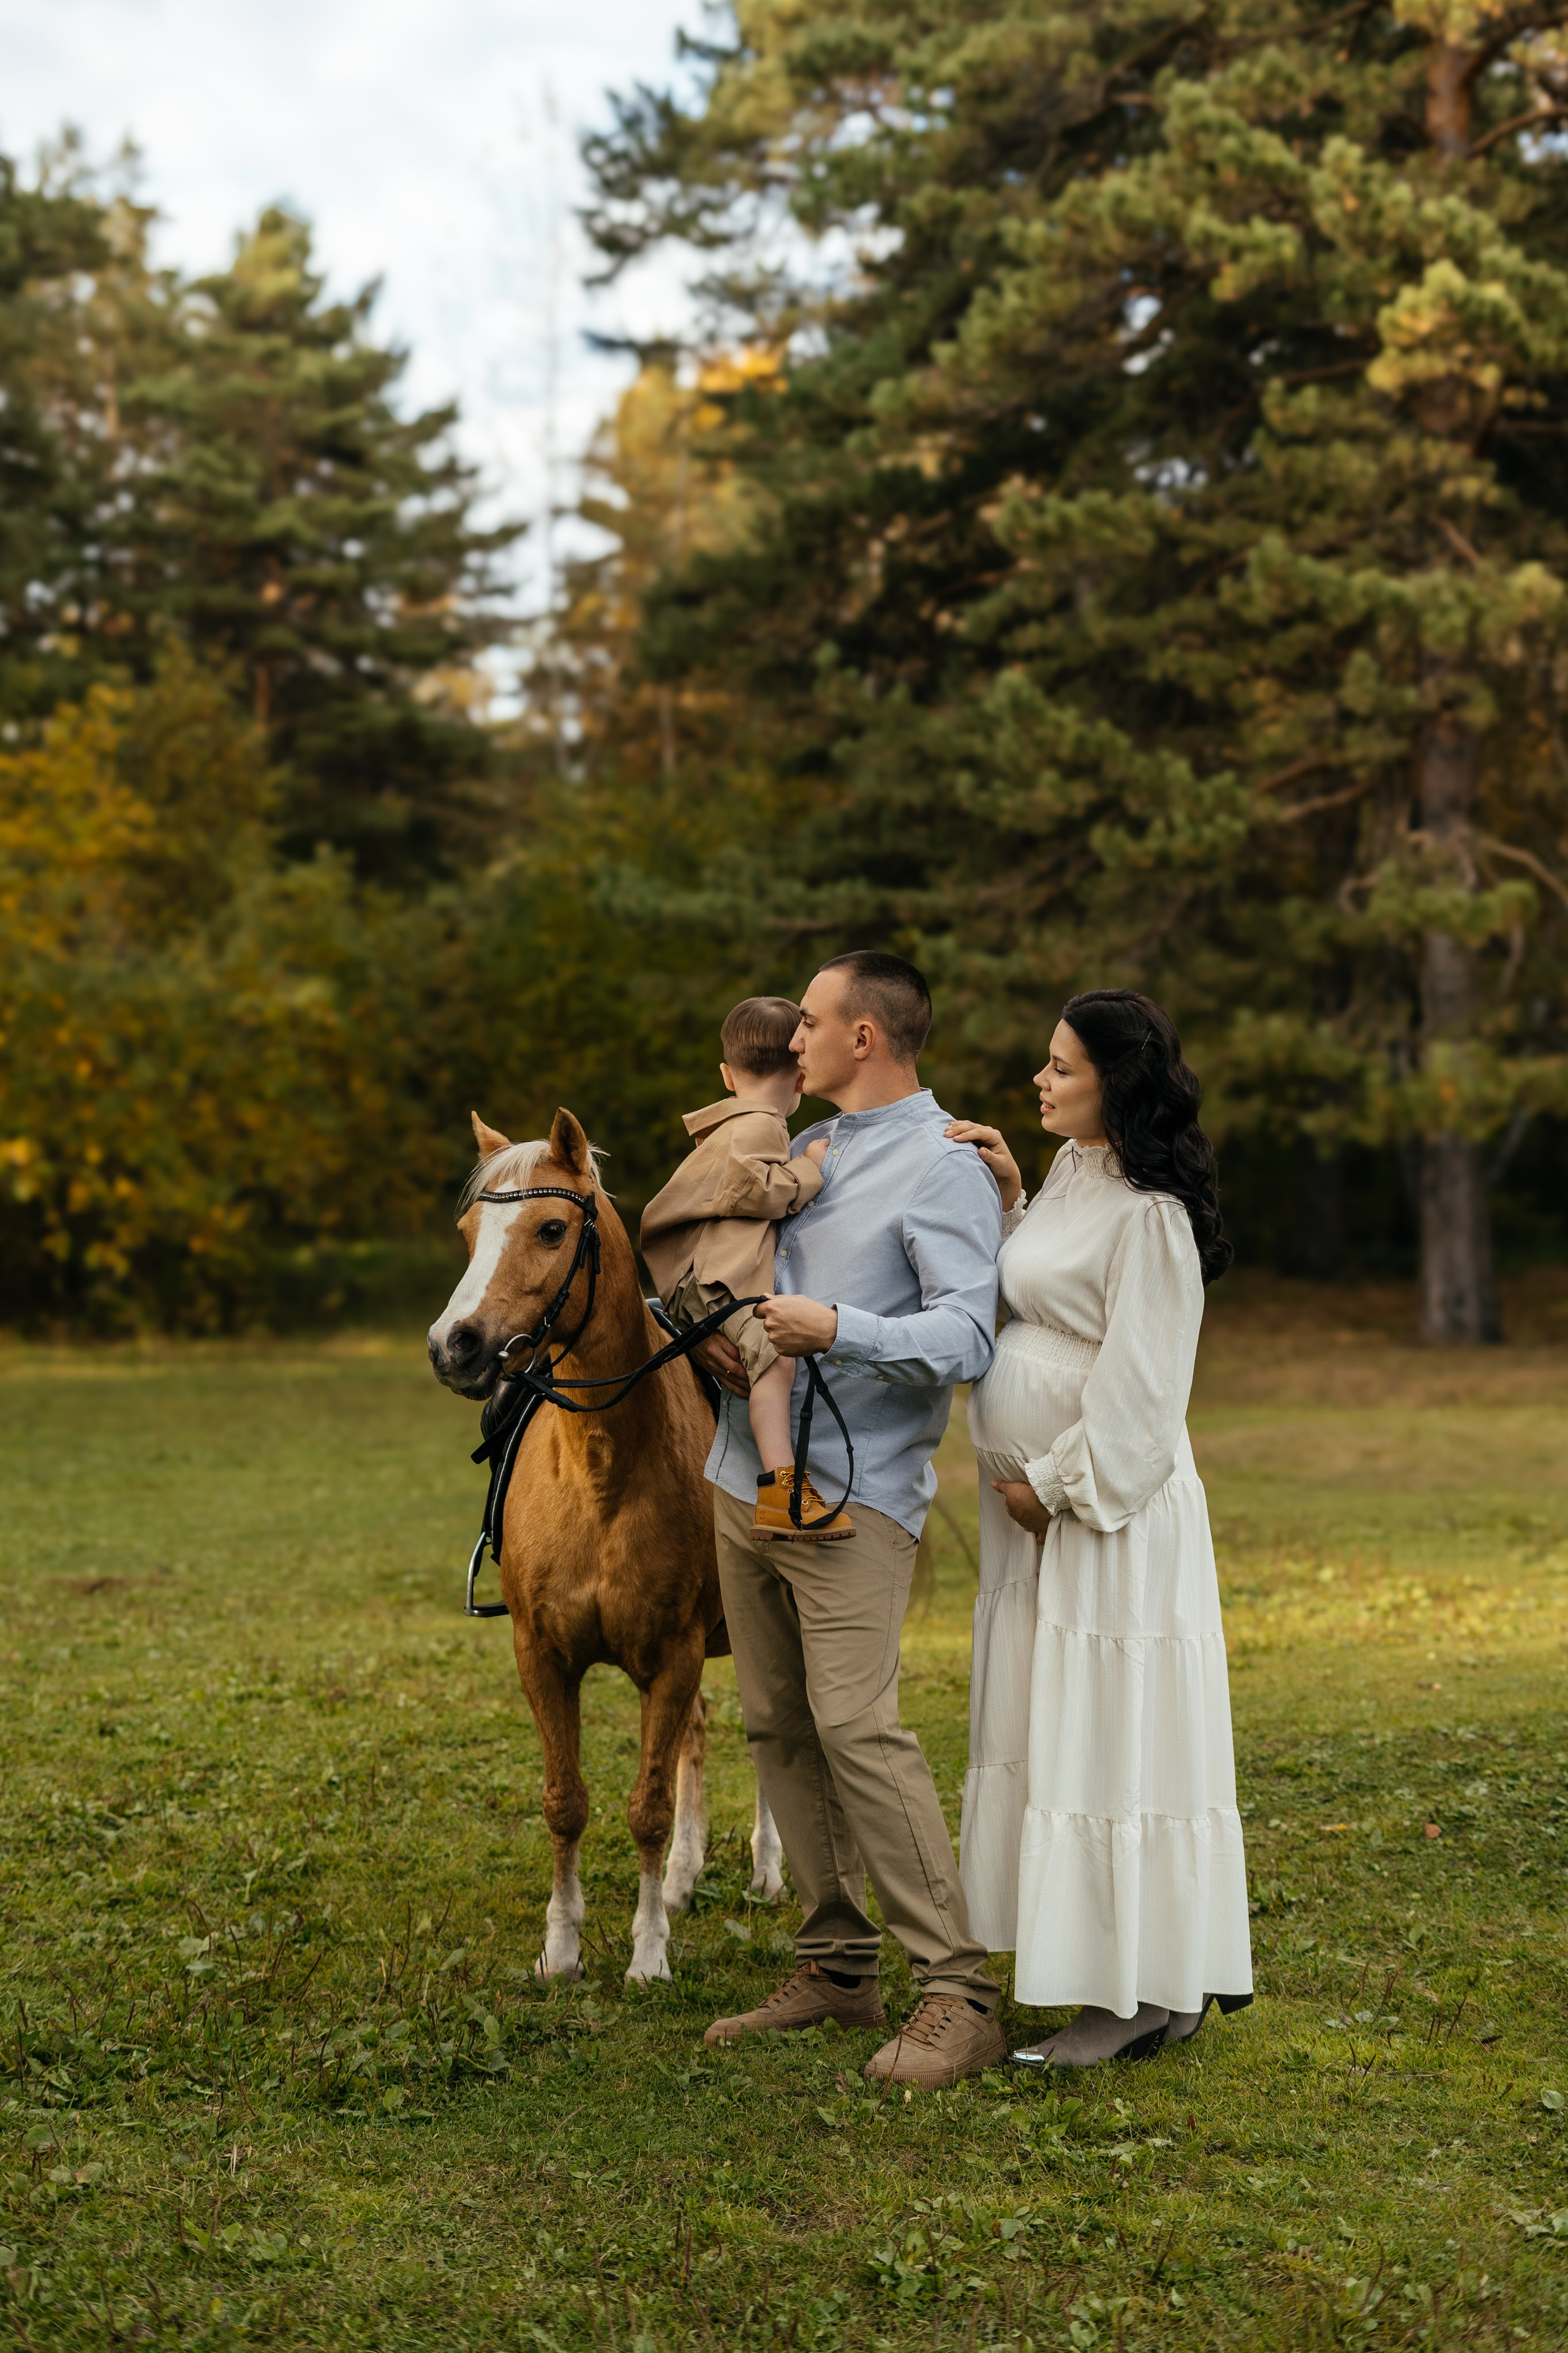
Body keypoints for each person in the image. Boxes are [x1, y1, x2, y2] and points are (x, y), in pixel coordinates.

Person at [693, 951, 1009, 2089]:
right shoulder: (799, 1147)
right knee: (777, 1724)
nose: (794, 1044)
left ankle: (958, 1992)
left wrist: (844, 1327)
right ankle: (835, 1967)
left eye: (813, 1023)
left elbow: (970, 1338)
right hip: (744, 1480)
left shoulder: (945, 1166)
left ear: (864, 1037)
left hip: (854, 1501)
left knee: (860, 1730)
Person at [944, 989, 1253, 2066]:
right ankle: (1149, 1984)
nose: (1041, 1079)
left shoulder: (1154, 1218)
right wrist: (1015, 1193)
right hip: (1037, 1527)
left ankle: (1130, 2001)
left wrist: (1055, 1484)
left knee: (1114, 1738)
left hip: (1104, 1518)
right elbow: (1043, 1290)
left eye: (1062, 1067)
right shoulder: (1079, 1175)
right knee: (1055, 1730)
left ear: (1113, 1085)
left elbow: (1145, 1393)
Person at [639, 995, 846, 1541]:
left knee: (768, 1364)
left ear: (728, 1075)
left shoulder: (736, 1121)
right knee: (776, 1363)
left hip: (703, 1278)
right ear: (802, 1076)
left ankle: (780, 1485)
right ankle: (782, 1491)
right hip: (719, 1281)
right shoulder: (761, 1124)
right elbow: (755, 1190)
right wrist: (809, 1170)